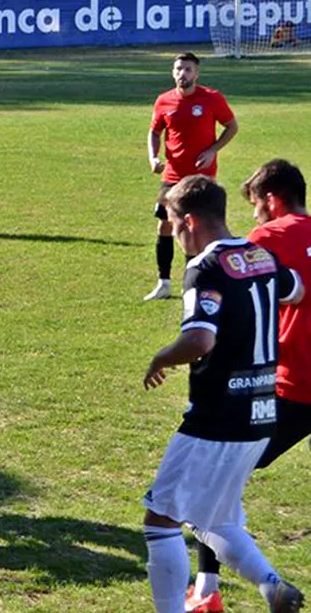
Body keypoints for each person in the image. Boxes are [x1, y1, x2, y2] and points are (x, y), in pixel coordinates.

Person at [141, 175, 304, 613]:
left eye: (174, 224)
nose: (174, 235)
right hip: (263, 410)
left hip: (217, 416)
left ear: (189, 221)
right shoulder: (262, 255)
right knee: (216, 518)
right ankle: (272, 587)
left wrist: (160, 358)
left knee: (161, 520)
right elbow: (297, 290)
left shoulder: (206, 265)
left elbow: (199, 340)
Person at [187, 160, 311, 613]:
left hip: (291, 387)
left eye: (257, 206)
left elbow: (224, 284)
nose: (255, 217)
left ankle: (206, 591)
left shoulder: (268, 239)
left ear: (273, 200)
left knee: (210, 481)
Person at [145, 52, 238, 301]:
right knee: (164, 225)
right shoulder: (164, 101)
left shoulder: (212, 98)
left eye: (187, 69)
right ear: (172, 72)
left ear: (196, 73)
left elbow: (232, 126)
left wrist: (212, 150)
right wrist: (153, 157)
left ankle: (195, 285)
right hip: (172, 176)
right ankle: (163, 282)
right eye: (178, 69)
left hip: (201, 178)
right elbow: (154, 132)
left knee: (199, 229)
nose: (182, 74)